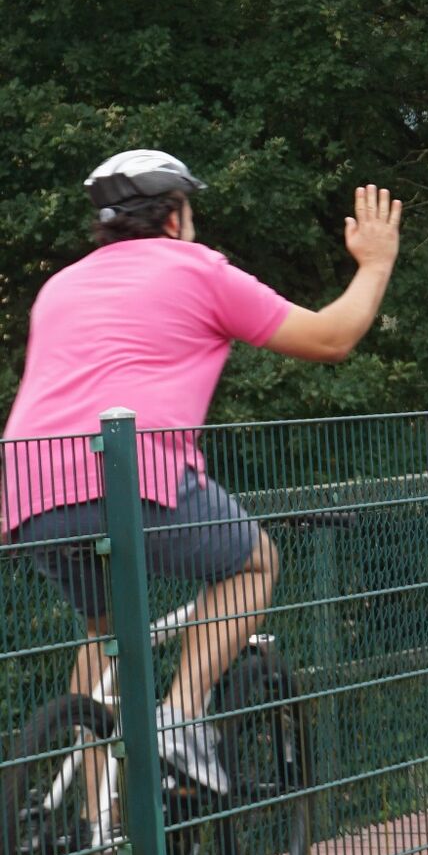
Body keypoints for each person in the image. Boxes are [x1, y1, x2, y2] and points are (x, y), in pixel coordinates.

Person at [4, 152, 403, 795]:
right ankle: (182, 719)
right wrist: (376, 262)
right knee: (255, 564)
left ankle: (92, 826)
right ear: (174, 215)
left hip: (29, 487)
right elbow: (331, 338)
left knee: (108, 635)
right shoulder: (197, 269)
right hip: (132, 471)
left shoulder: (61, 287)